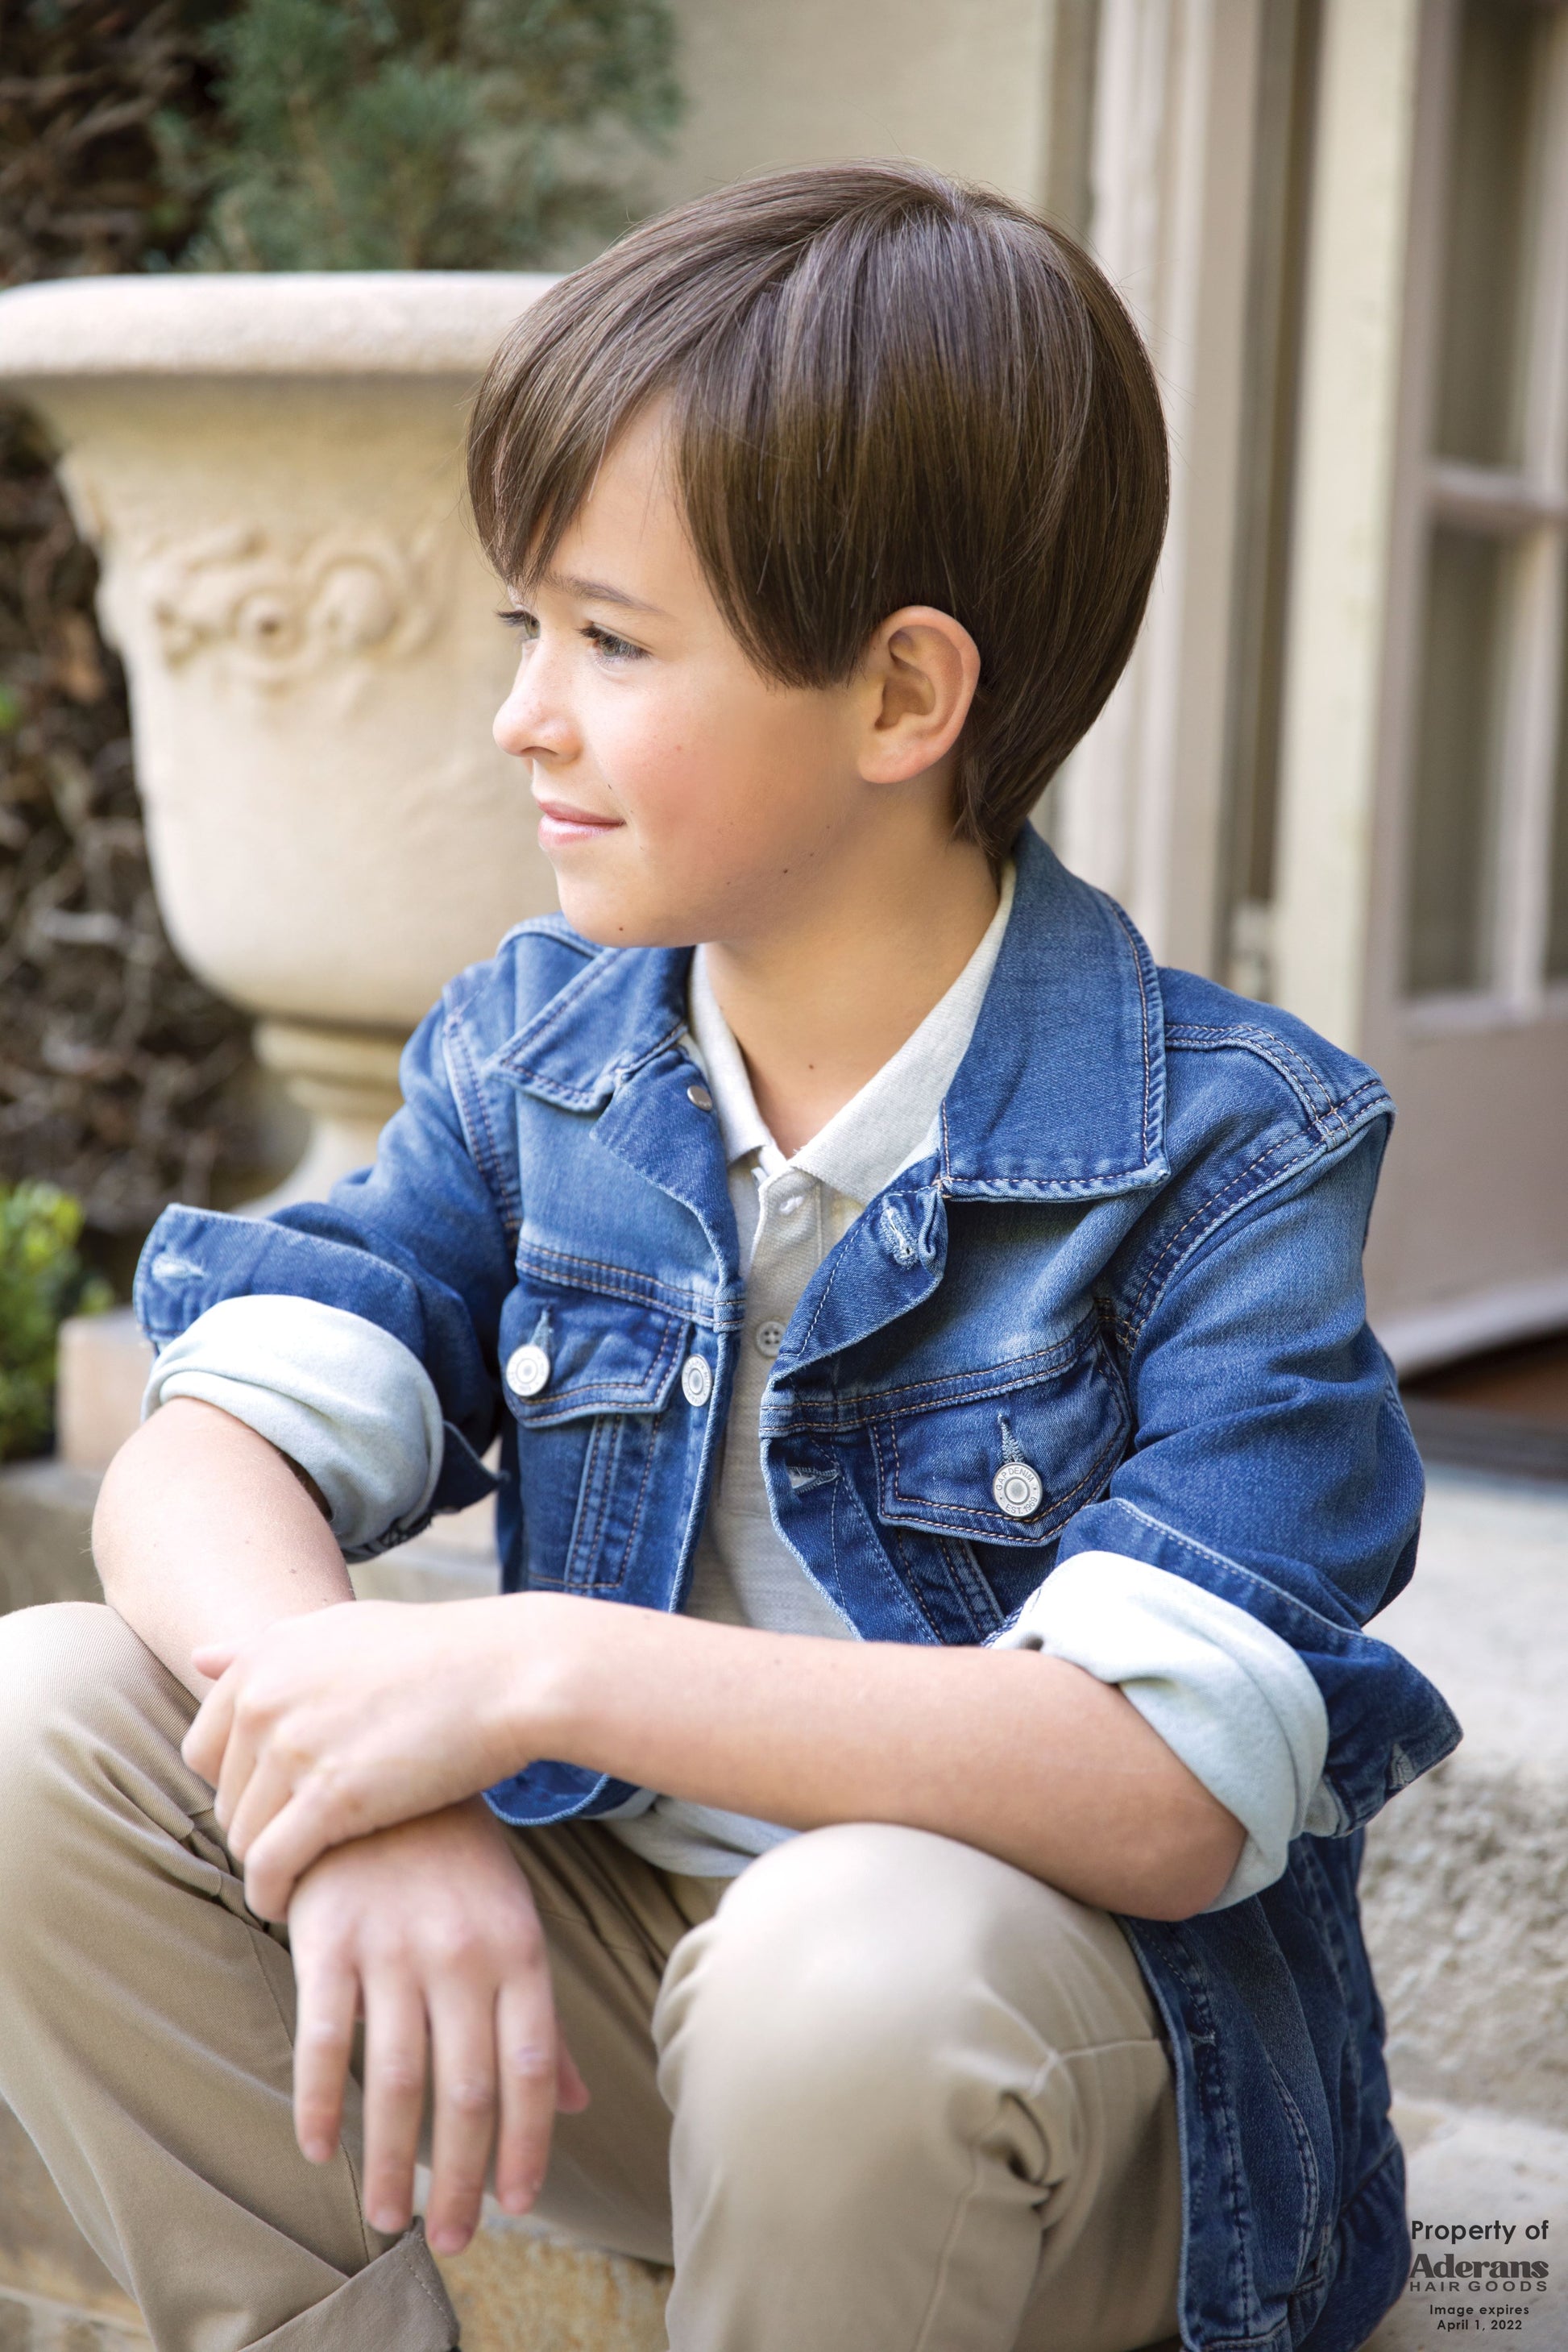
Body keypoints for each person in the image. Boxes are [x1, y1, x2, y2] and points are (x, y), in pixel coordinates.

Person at [0, 164, 1458, 2352]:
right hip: (619, 2000)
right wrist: (356, 1785)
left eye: (610, 640)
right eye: (527, 631)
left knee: (838, 1963)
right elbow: (212, 1444)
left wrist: (524, 1677)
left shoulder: (1221, 1147)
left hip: (1030, 2068)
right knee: (45, 1718)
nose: (524, 716)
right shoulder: (545, 1055)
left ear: (899, 699)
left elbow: (1158, 1793)